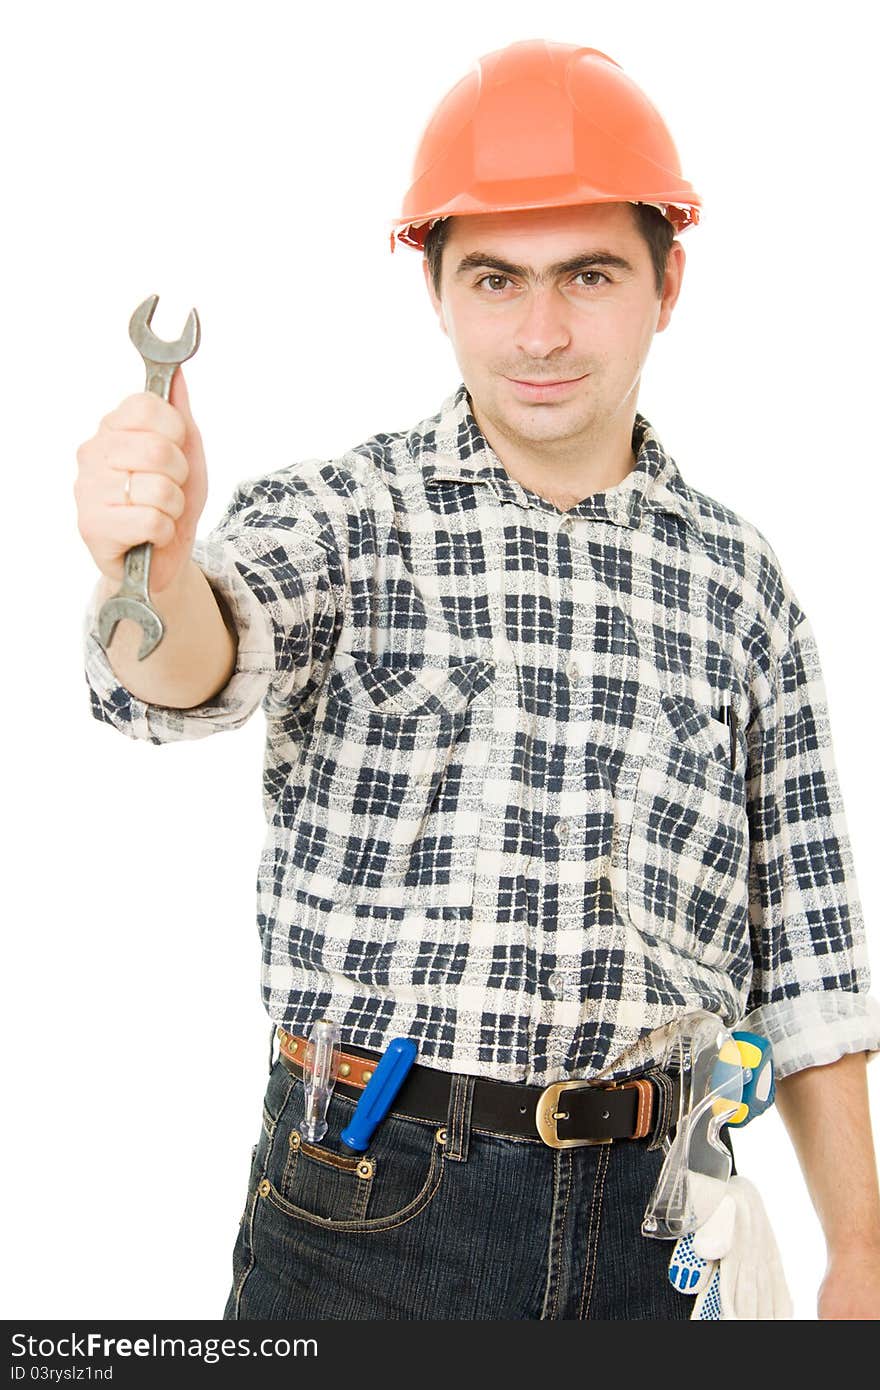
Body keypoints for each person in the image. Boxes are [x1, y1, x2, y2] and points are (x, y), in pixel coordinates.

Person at [76, 40, 880, 1320]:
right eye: (496, 278)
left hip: (661, 1225)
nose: (542, 330)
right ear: (438, 292)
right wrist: (159, 570)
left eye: (590, 274)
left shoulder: (743, 587)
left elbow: (812, 960)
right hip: (367, 1211)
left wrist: (862, 1245)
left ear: (667, 286)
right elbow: (187, 665)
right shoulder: (344, 515)